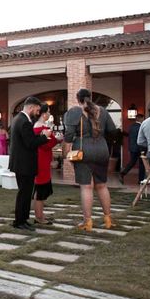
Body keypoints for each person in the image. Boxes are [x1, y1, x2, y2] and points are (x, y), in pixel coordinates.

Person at [64, 88, 117, 231]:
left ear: (78, 99)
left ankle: (88, 222)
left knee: (86, 187)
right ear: (90, 97)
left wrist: (68, 148)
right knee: (102, 185)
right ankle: (108, 219)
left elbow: (68, 135)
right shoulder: (103, 111)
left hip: (83, 151)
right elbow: (113, 130)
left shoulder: (74, 112)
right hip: (102, 149)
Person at [9, 97, 51, 231]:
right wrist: (44, 136)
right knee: (25, 193)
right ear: (31, 107)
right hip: (24, 164)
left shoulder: (17, 119)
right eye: (37, 110)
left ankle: (22, 219)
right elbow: (30, 143)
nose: (38, 113)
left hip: (21, 163)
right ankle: (20, 221)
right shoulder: (24, 121)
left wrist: (40, 137)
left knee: (24, 193)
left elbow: (27, 140)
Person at [33, 104, 60, 225]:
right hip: (40, 161)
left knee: (42, 189)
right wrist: (57, 140)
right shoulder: (38, 128)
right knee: (40, 189)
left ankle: (40, 215)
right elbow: (45, 145)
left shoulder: (43, 127)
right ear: (44, 114)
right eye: (48, 112)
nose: (49, 114)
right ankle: (39, 217)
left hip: (43, 160)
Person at [119, 114, 146, 184]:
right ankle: (141, 180)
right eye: (143, 118)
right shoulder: (141, 127)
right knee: (142, 164)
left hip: (132, 148)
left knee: (132, 162)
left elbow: (130, 137)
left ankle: (123, 173)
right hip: (140, 148)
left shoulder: (131, 127)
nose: (143, 120)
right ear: (141, 118)